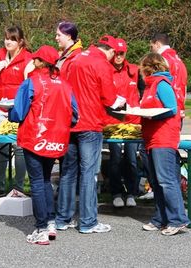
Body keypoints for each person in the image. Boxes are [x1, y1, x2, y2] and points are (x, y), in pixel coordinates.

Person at [9, 45, 79, 245]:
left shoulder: (31, 82)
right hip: (56, 138)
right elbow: (75, 114)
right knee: (46, 180)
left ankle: (40, 227)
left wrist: (10, 113)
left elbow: (18, 112)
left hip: (34, 136)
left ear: (40, 62)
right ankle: (50, 222)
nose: (33, 61)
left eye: (35, 59)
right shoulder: (65, 84)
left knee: (38, 182)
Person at [56, 35, 126, 234]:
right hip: (90, 124)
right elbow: (109, 98)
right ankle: (87, 221)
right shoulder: (101, 63)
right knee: (88, 173)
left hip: (70, 123)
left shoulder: (75, 59)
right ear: (111, 51)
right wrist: (119, 102)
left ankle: (63, 218)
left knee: (68, 173)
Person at [139, 52, 189, 236]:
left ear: (148, 68)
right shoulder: (151, 85)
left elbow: (171, 109)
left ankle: (177, 219)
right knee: (157, 182)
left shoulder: (161, 84)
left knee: (166, 181)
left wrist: (151, 114)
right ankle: (160, 218)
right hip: (152, 137)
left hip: (163, 138)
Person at [0, 25, 32, 197]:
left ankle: (18, 188)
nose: (8, 42)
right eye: (6, 38)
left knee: (19, 148)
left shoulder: (28, 59)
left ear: (20, 41)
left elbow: (30, 87)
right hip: (2, 109)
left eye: (12, 39)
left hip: (19, 111)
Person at [106, 38, 143, 208]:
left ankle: (132, 192)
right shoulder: (105, 70)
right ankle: (116, 192)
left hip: (133, 121)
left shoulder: (135, 70)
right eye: (116, 53)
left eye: (122, 53)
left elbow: (144, 91)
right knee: (114, 159)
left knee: (131, 159)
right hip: (113, 122)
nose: (119, 56)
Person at [150, 33, 188, 121]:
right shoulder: (179, 60)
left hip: (166, 109)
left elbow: (158, 84)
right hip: (179, 106)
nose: (151, 50)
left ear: (157, 44)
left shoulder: (161, 60)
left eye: (151, 47)